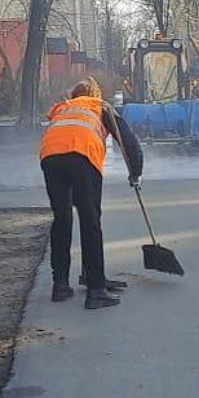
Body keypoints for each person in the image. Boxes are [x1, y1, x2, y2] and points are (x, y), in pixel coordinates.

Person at [39, 78, 144, 310]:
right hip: (82, 155)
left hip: (50, 157)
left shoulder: (64, 107)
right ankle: (96, 290)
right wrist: (136, 173)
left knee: (62, 218)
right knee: (90, 219)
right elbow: (128, 141)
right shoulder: (101, 106)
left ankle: (61, 285)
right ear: (95, 94)